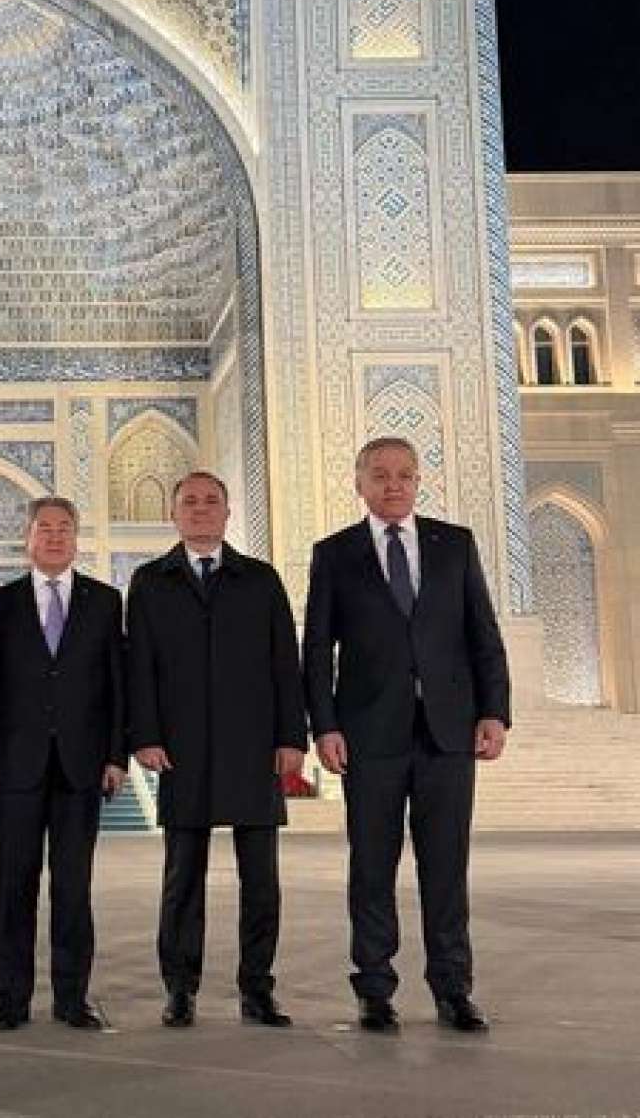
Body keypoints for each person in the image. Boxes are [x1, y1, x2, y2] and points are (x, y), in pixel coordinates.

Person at [302, 436, 511, 1034]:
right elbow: (317, 649)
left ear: (418, 481)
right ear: (359, 483)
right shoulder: (335, 554)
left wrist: (494, 712)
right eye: (380, 475)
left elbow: (483, 635)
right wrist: (325, 726)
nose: (392, 485)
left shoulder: (455, 546)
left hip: (448, 733)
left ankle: (453, 989)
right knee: (372, 866)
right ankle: (374, 990)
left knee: (446, 868)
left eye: (404, 475)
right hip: (370, 734)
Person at [127, 471, 307, 1029]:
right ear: (174, 513)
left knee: (261, 880)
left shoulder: (260, 580)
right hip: (182, 750)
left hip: (253, 748)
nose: (201, 509)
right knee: (182, 879)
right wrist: (145, 735)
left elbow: (285, 663)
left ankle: (258, 990)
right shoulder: (150, 582)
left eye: (211, 502)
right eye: (190, 502)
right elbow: (140, 667)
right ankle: (180, 989)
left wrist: (291, 738)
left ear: (228, 514)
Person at [0, 497, 127, 1032]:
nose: (55, 537)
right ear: (28, 538)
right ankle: (11, 1000)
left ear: (76, 538)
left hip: (81, 765)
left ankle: (71, 999)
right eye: (45, 528)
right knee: (15, 886)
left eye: (65, 528)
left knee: (73, 887)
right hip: (17, 763)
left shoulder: (104, 601)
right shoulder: (1, 604)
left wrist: (116, 755)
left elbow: (117, 685)